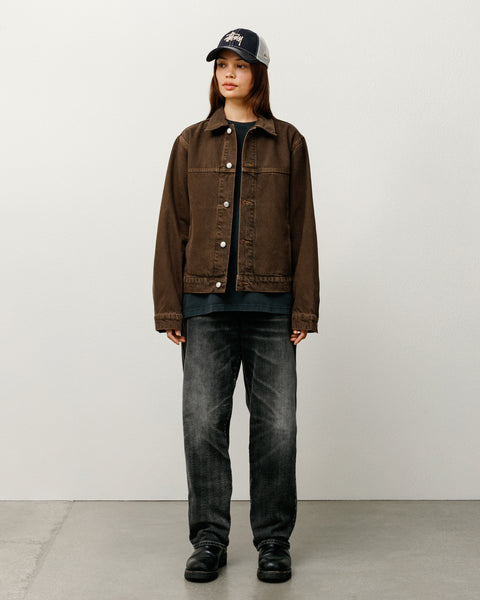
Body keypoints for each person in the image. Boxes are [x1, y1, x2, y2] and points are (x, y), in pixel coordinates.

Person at [152, 27, 319, 583]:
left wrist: (304, 308)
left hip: (273, 308)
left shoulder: (289, 142)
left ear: (258, 75)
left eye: (240, 65)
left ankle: (273, 542)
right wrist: (169, 307)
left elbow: (302, 226)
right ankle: (209, 541)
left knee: (278, 429)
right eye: (222, 64)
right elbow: (173, 225)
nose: (229, 73)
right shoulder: (190, 142)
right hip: (204, 307)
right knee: (203, 424)